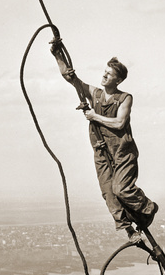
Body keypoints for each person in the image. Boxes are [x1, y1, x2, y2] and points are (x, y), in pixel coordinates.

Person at [51, 44, 158, 242]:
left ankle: (148, 208)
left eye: (110, 74)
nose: (105, 76)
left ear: (118, 79)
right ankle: (129, 231)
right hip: (101, 151)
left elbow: (119, 123)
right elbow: (71, 79)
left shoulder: (124, 98)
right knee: (109, 193)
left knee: (122, 189)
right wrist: (57, 54)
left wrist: (94, 116)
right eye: (105, 72)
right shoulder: (96, 95)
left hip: (122, 152)